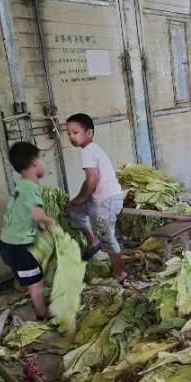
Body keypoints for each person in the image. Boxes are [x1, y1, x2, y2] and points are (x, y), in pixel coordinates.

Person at [66, 113, 129, 284]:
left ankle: (120, 272)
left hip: (106, 201)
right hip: (103, 199)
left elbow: (92, 178)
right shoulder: (92, 150)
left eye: (75, 132)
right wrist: (79, 201)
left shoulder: (87, 151)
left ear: (89, 133)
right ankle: (93, 241)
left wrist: (81, 197)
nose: (71, 136)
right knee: (74, 210)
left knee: (107, 237)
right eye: (69, 133)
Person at [0, 142, 56, 321]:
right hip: (20, 248)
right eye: (41, 158)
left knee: (29, 276)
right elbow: (36, 214)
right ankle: (42, 314)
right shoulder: (31, 188)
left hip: (7, 245)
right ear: (35, 162)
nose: (43, 163)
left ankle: (32, 294)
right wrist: (49, 221)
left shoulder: (20, 186)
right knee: (36, 283)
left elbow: (26, 215)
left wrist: (39, 226)